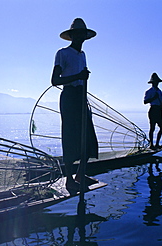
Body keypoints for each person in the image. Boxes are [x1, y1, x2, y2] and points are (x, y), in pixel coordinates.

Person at [51, 18, 98, 194]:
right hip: (69, 97)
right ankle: (69, 180)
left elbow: (82, 78)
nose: (80, 36)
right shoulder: (63, 53)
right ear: (72, 35)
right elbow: (55, 80)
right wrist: (78, 76)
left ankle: (79, 174)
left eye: (82, 33)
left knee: (88, 137)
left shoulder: (82, 55)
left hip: (80, 97)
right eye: (77, 33)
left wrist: (82, 79)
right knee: (70, 138)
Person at [144, 72, 162, 150]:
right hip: (153, 110)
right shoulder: (149, 91)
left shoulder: (159, 91)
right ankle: (151, 145)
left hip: (159, 110)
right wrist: (154, 97)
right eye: (155, 82)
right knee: (152, 128)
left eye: (157, 82)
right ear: (152, 83)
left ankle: (157, 144)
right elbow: (145, 101)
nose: (156, 84)